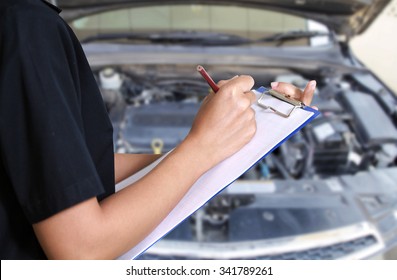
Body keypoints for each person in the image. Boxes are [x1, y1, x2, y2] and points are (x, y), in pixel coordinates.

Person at [0, 0, 316, 260]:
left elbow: (70, 175)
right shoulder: (26, 25)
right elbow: (83, 251)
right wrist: (201, 146)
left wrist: (229, 139)